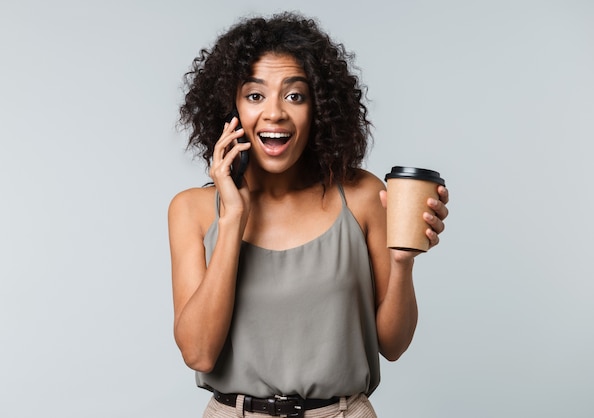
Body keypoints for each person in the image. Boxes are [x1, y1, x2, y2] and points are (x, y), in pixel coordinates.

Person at [168, 11, 449, 418]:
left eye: (295, 95)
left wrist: (403, 263)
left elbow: (394, 345)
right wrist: (232, 219)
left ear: (320, 108)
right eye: (255, 95)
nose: (275, 113)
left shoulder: (364, 195)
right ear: (230, 109)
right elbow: (199, 353)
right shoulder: (191, 210)